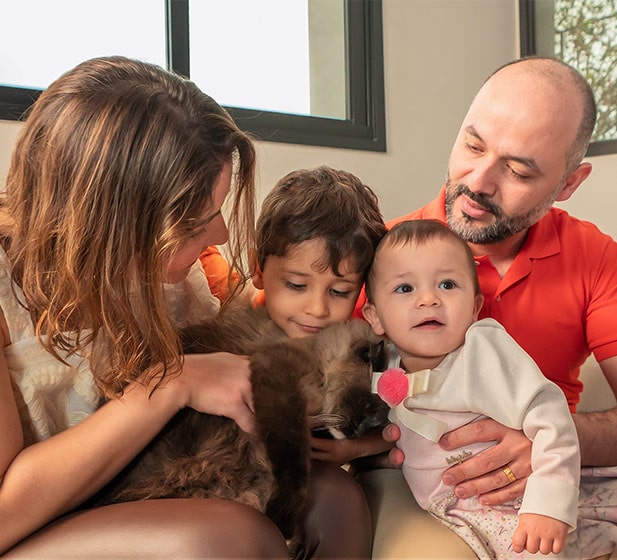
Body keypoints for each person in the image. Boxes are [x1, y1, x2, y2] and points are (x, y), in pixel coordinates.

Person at [0, 56, 369, 559]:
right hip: (29, 527)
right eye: (197, 222)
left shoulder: (193, 273)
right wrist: (175, 382)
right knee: (229, 539)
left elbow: (296, 321)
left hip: (142, 501)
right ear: (114, 221)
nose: (219, 235)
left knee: (334, 500)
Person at [361, 56, 617, 559]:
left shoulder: (594, 257)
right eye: (473, 144)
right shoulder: (381, 256)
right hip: (414, 481)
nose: (478, 181)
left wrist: (551, 441)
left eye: (518, 169)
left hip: (557, 474)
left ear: (569, 183)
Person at [363, 219, 580, 558]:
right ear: (374, 318)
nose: (428, 299)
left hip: (513, 505)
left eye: (447, 284)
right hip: (451, 514)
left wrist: (548, 503)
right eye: (405, 289)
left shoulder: (483, 352)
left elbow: (550, 415)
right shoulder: (384, 364)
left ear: (476, 307)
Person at [249, 165, 392, 466]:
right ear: (258, 269)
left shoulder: (364, 351)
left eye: (339, 291)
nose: (317, 309)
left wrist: (357, 449)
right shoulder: (237, 340)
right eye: (296, 285)